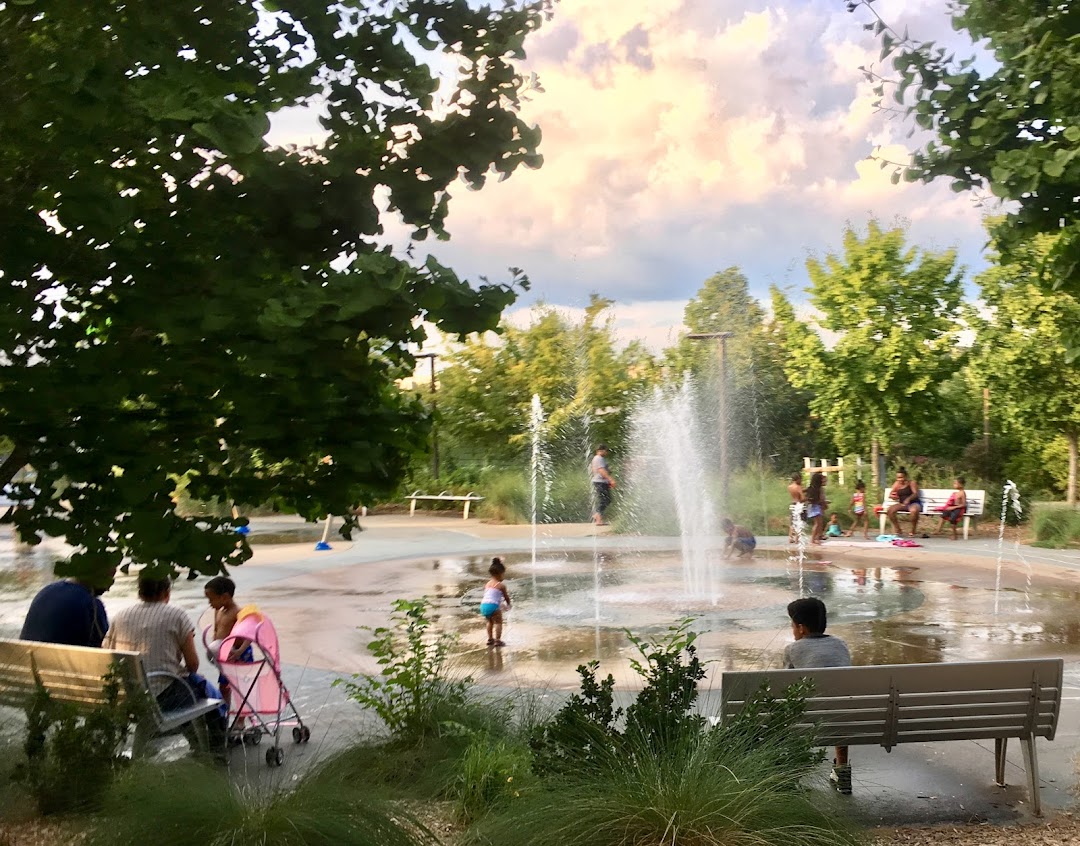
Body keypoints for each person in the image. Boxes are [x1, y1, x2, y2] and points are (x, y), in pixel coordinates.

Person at [104, 573, 224, 757]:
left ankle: (198, 744)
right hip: (162, 699)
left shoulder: (120, 616)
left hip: (127, 698)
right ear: (166, 592)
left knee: (192, 686)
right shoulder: (176, 615)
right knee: (201, 690)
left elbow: (106, 653)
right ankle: (217, 750)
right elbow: (193, 664)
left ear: (140, 592)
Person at [784, 597, 853, 795]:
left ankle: (791, 775)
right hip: (846, 716)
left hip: (808, 719)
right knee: (839, 705)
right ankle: (842, 771)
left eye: (792, 625)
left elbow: (785, 686)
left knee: (789, 711)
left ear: (801, 628)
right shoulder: (841, 644)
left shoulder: (793, 649)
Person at [20, 574, 112, 647]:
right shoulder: (92, 604)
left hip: (26, 664)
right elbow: (104, 648)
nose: (109, 588)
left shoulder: (46, 591)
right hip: (64, 668)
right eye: (110, 577)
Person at [204, 576, 252, 713]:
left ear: (224, 597)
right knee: (224, 687)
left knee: (242, 689)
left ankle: (241, 720)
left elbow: (249, 634)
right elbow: (216, 630)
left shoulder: (238, 613)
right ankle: (223, 715)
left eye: (211, 599)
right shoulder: (218, 611)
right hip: (225, 656)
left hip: (239, 654)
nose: (209, 603)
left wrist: (240, 651)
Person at [480, 557, 511, 647]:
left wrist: (499, 604)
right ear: (499, 574)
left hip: (483, 606)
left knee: (489, 622)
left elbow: (490, 597)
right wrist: (508, 605)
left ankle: (490, 639)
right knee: (498, 622)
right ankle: (498, 640)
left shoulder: (488, 584)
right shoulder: (501, 585)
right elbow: (506, 597)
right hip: (492, 606)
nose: (503, 577)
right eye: (503, 575)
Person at [886, 467, 922, 537]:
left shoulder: (911, 483)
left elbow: (915, 494)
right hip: (903, 504)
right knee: (890, 510)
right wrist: (893, 496)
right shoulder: (897, 484)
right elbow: (891, 493)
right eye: (898, 478)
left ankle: (913, 530)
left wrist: (909, 499)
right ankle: (898, 529)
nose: (899, 479)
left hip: (913, 503)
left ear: (906, 476)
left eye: (901, 477)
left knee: (914, 511)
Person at [590, 444, 616, 526]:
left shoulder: (597, 458)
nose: (607, 453)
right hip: (600, 481)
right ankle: (598, 517)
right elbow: (601, 470)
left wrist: (608, 471)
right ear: (602, 450)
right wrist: (610, 479)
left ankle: (597, 515)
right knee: (605, 499)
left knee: (605, 499)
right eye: (606, 451)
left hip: (600, 481)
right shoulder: (599, 458)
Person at [804, 472, 827, 545]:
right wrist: (825, 503)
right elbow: (821, 499)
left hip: (812, 506)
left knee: (818, 523)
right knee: (817, 523)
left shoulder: (811, 488)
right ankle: (813, 539)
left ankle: (816, 538)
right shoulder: (818, 489)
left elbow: (805, 494)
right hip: (816, 506)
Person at [787, 472, 804, 542]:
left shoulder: (789, 487)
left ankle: (790, 538)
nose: (801, 481)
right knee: (798, 522)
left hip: (792, 504)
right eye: (800, 479)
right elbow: (802, 498)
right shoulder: (798, 487)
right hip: (798, 505)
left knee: (792, 522)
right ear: (798, 479)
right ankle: (797, 538)